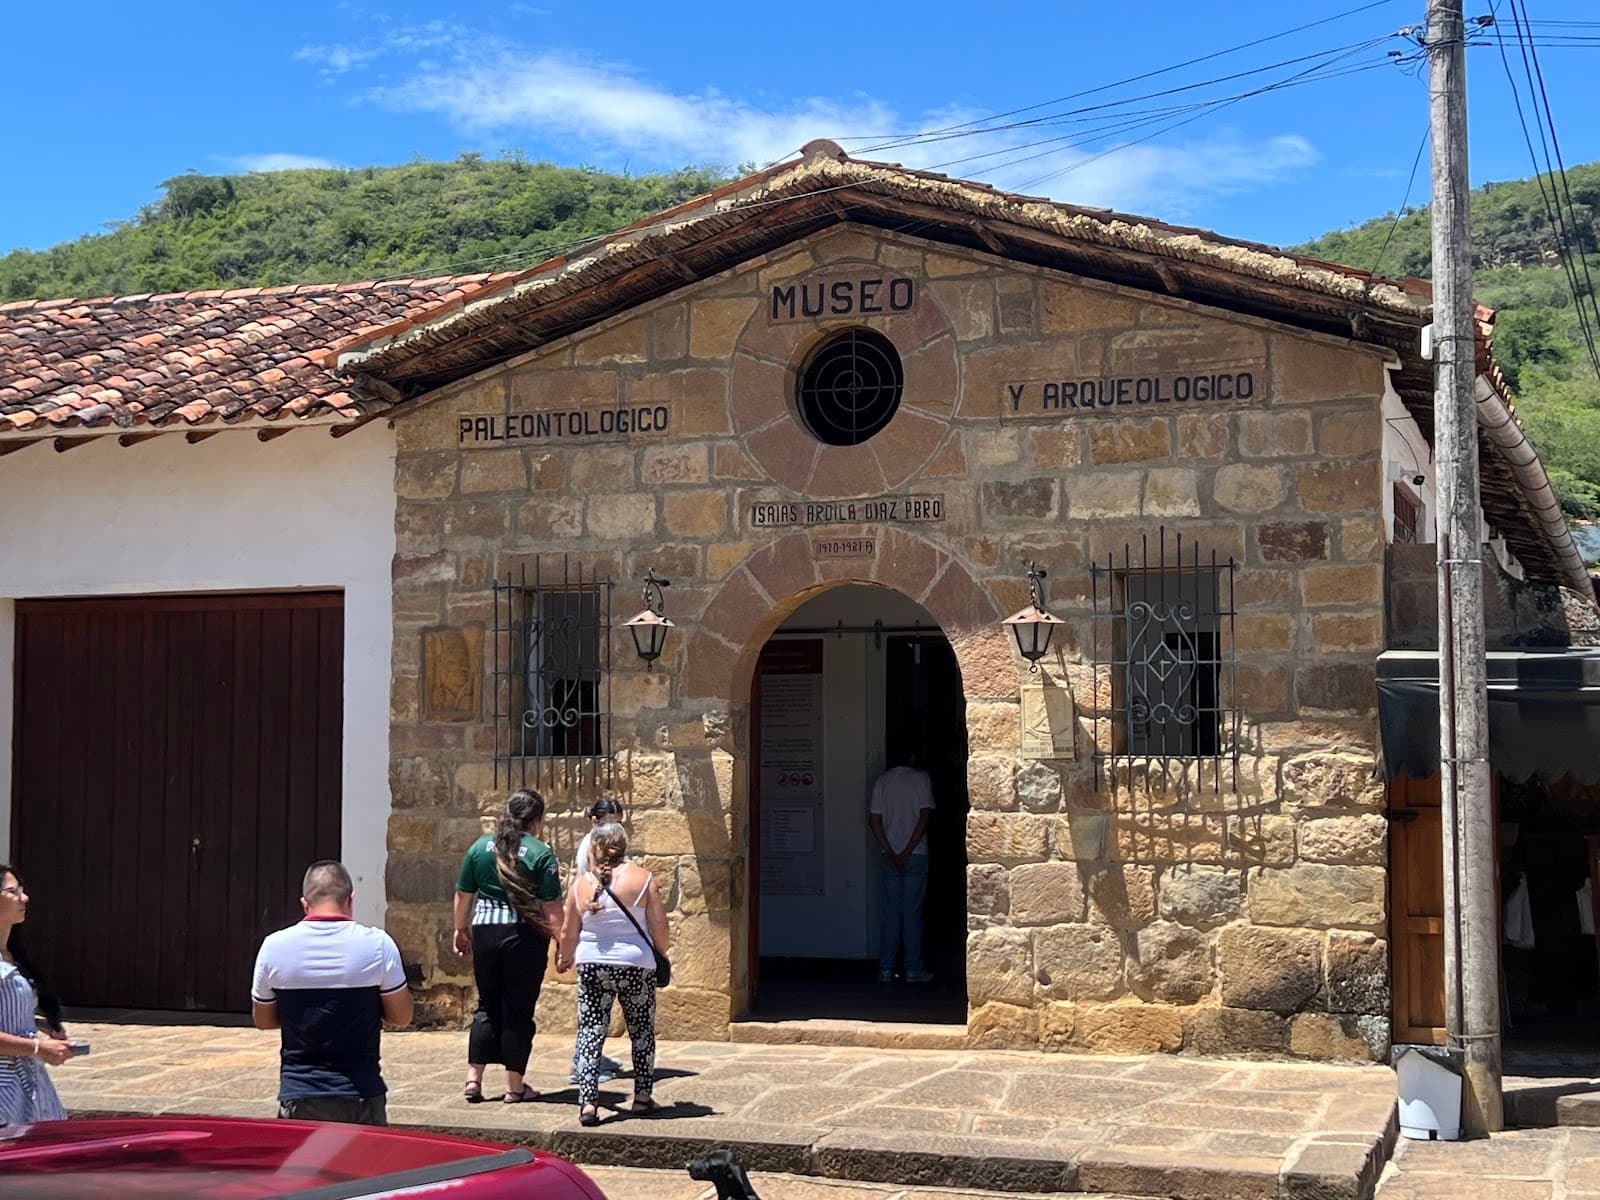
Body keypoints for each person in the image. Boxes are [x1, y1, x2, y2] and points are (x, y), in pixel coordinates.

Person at [251, 861, 413, 1126]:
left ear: (305, 904)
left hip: (300, 1093)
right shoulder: (378, 945)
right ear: (351, 899)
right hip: (360, 1093)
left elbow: (264, 1020)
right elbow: (402, 1016)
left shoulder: (274, 947)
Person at [555, 822, 668, 1127]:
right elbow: (660, 928)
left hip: (593, 964)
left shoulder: (580, 885)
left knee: (591, 1029)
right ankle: (642, 1096)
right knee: (641, 1030)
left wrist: (565, 957)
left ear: (594, 848)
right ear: (624, 846)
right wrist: (661, 951)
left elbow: (568, 931)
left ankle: (589, 1102)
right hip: (635, 963)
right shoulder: (643, 879)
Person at [453, 790, 562, 1104]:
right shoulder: (540, 853)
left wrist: (461, 929)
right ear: (537, 820)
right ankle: (515, 1086)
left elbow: (463, 894)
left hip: (485, 931)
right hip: (523, 935)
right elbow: (551, 906)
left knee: (487, 1004)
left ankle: (474, 1079)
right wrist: (563, 943)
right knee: (517, 1008)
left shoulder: (480, 847)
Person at [0, 865, 70, 1125]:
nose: (24, 897)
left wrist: (41, 1027)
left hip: (30, 1088)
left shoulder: (13, 956)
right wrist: (38, 1048)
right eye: (13, 891)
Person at [567, 795, 624, 1087]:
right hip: (595, 933)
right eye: (608, 822)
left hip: (596, 933)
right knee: (591, 1009)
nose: (613, 828)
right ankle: (582, 1064)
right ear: (594, 821)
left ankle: (589, 1059)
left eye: (617, 822)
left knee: (594, 1008)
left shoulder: (598, 845)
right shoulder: (592, 847)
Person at [869, 750, 936, 984]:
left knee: (890, 914)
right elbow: (923, 817)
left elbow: (874, 820)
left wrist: (890, 850)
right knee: (912, 914)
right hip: (915, 854)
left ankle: (886, 969)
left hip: (890, 856)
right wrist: (907, 850)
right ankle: (913, 968)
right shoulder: (921, 779)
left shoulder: (882, 782)